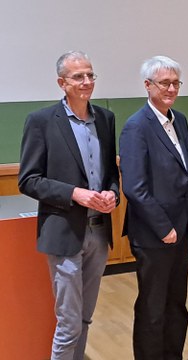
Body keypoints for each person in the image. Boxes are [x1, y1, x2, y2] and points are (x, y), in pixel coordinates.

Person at [18, 51, 119, 360]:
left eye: (90, 75)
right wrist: (75, 193)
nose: (86, 82)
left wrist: (112, 193)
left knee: (85, 318)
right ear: (62, 83)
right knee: (69, 323)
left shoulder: (105, 118)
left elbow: (110, 173)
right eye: (78, 77)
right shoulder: (41, 121)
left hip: (99, 233)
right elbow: (29, 180)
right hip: (64, 234)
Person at [119, 55, 188, 360]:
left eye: (175, 83)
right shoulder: (136, 127)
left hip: (182, 228)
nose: (171, 89)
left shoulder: (178, 119)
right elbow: (135, 187)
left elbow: (186, 173)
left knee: (177, 304)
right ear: (147, 85)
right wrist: (163, 226)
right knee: (153, 307)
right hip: (154, 234)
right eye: (164, 83)